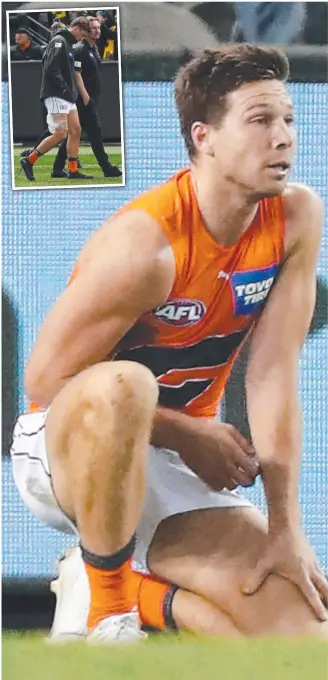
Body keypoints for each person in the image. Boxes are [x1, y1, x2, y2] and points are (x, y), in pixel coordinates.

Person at [11, 44, 328, 643]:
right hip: (69, 445)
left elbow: (273, 375)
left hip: (173, 459)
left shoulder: (297, 217)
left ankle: (123, 586)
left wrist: (287, 528)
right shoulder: (146, 245)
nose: (284, 137)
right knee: (125, 383)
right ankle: (109, 610)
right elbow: (44, 382)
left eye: (289, 119)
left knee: (303, 637)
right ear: (204, 137)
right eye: (261, 121)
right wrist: (186, 430)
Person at [20, 17, 93, 182]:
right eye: (82, 34)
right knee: (60, 132)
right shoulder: (59, 42)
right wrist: (64, 88)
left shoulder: (65, 43)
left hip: (66, 95)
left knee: (75, 130)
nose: (82, 38)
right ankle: (29, 160)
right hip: (57, 93)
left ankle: (73, 171)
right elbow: (52, 69)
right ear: (76, 28)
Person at [52, 16, 122, 180]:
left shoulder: (92, 48)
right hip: (83, 99)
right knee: (95, 133)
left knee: (73, 134)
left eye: (98, 27)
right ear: (85, 31)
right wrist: (85, 97)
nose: (97, 30)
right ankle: (106, 168)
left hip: (90, 98)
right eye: (93, 28)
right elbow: (76, 76)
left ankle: (57, 168)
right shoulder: (80, 49)